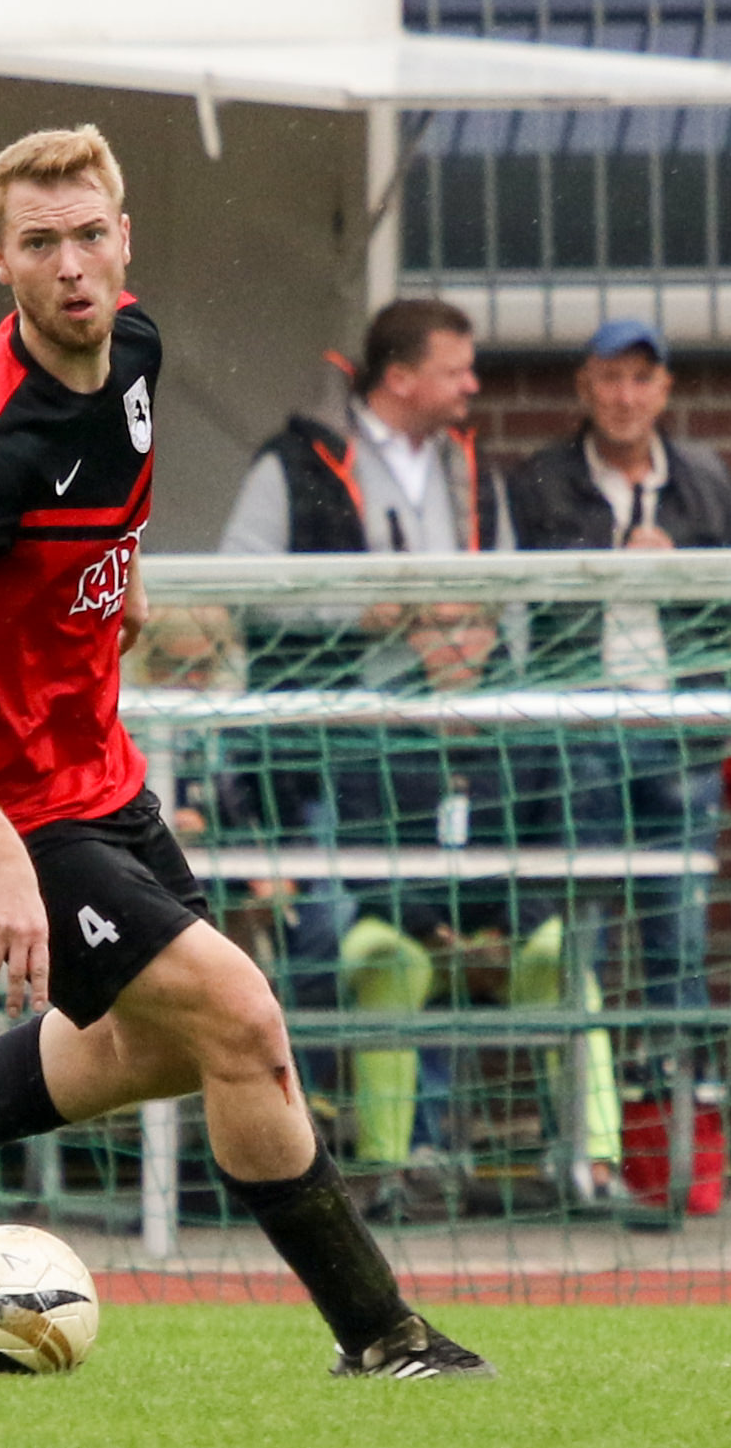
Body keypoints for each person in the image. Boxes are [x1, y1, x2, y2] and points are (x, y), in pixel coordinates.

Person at [0, 127, 491, 1379]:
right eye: (38, 243)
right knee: (242, 1016)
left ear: (123, 239)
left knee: (169, 1042)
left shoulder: (135, 346)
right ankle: (384, 1336)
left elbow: (115, 480)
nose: (69, 264)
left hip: (96, 777)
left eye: (87, 234)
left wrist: (124, 574)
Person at [218, 299, 513, 1174]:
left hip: (443, 756)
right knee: (327, 933)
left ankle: (423, 1146)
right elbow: (237, 586)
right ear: (401, 376)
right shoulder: (292, 462)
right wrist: (356, 609)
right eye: (456, 368)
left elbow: (516, 597)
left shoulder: (472, 471)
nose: (472, 385)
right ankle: (304, 1144)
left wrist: (479, 660)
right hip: (319, 761)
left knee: (437, 937)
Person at [511, 319, 731, 1087]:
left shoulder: (705, 479)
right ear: (584, 386)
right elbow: (518, 603)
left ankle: (676, 1100)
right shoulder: (540, 479)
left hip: (680, 729)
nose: (624, 396)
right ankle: (577, 1110)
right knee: (577, 928)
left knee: (677, 927)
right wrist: (604, 568)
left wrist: (679, 573)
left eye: (640, 379)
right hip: (578, 729)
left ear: (664, 390)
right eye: (610, 378)